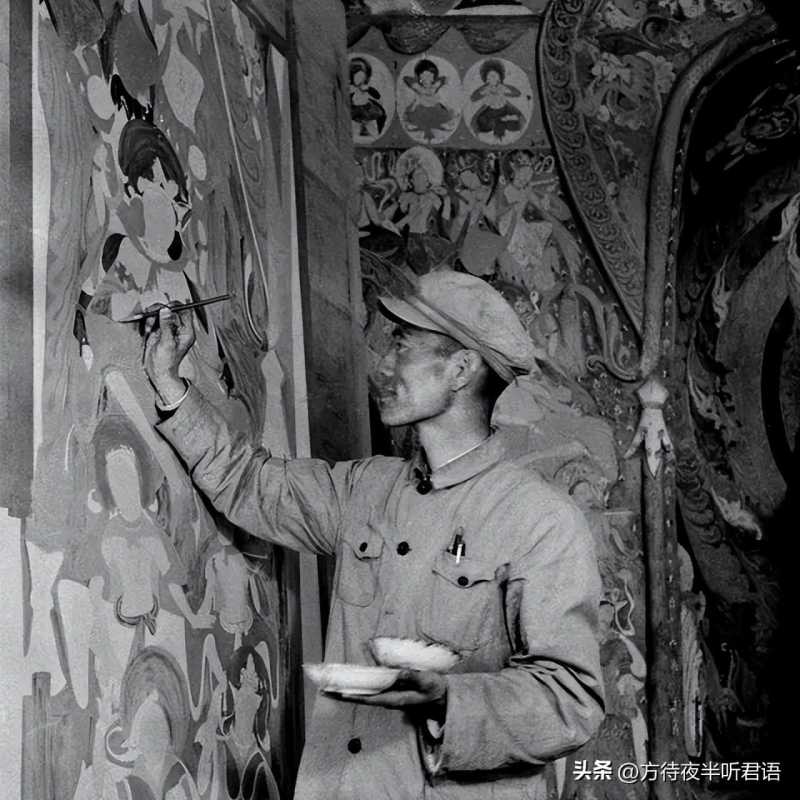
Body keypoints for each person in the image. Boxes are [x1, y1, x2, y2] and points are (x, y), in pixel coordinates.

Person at [143, 270, 605, 799]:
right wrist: (169, 383)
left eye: (403, 346)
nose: (383, 365)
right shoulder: (367, 488)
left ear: (460, 369)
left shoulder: (540, 519)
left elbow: (572, 700)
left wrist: (447, 700)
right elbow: (251, 484)